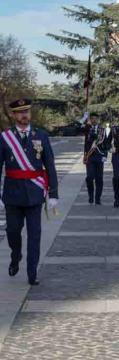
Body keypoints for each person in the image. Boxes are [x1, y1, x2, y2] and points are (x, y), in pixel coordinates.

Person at [1, 99, 59, 285]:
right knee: (12, 232)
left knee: (35, 235)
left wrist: (54, 194)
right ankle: (16, 254)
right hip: (13, 194)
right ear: (13, 115)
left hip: (35, 194)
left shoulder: (40, 135)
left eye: (26, 111)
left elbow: (49, 165)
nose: (24, 115)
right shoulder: (5, 137)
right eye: (20, 112)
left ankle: (32, 273)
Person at [83, 111, 109, 205]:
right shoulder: (87, 128)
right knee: (89, 177)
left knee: (99, 178)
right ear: (90, 119)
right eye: (92, 118)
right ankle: (91, 196)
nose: (94, 120)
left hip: (99, 156)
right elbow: (78, 128)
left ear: (98, 120)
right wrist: (83, 118)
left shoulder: (102, 130)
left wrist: (105, 155)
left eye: (95, 119)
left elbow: (106, 143)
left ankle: (97, 198)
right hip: (89, 156)